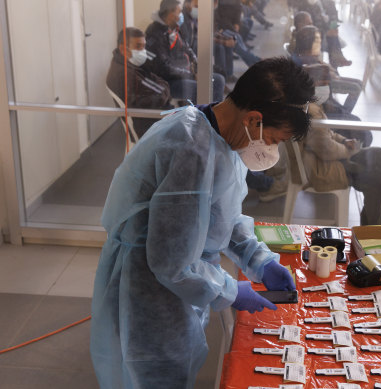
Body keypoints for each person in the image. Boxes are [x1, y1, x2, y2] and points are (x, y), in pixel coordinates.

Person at [90, 57, 315, 388]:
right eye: (275, 139)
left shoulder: (219, 135)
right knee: (156, 374)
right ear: (254, 120)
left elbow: (221, 215)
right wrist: (227, 289)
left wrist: (259, 259)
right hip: (147, 290)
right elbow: (171, 263)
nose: (271, 149)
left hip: (170, 282)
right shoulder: (191, 151)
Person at [146, 0, 225, 102]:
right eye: (179, 11)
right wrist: (191, 74)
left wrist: (197, 68)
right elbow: (164, 68)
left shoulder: (173, 28)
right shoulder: (155, 34)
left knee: (218, 80)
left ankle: (212, 114)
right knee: (201, 88)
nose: (181, 15)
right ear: (170, 13)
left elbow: (187, 48)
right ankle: (201, 115)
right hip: (169, 81)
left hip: (184, 73)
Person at [106, 28, 174, 139]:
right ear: (123, 49)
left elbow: (159, 82)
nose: (143, 51)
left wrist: (162, 90)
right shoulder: (125, 74)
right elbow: (157, 97)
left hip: (154, 117)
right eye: (138, 46)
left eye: (144, 46)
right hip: (147, 125)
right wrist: (164, 90)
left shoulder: (130, 64)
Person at [292, 25, 363, 114]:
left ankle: (345, 114)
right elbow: (321, 76)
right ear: (309, 43)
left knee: (359, 83)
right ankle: (344, 116)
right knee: (355, 88)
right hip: (324, 84)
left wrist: (328, 70)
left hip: (325, 81)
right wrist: (329, 72)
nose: (321, 44)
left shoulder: (303, 54)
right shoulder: (307, 60)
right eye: (318, 41)